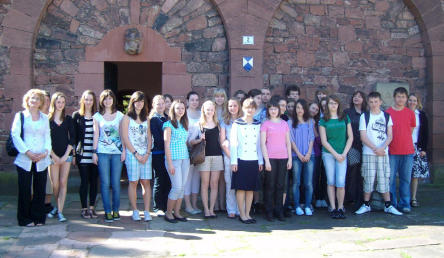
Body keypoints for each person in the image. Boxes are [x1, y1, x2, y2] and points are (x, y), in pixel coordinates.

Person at [355, 92, 402, 215]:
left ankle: (388, 205)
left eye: (376, 101)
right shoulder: (364, 116)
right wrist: (376, 148)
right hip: (369, 153)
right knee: (368, 179)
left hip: (383, 153)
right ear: (368, 103)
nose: (374, 104)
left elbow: (390, 135)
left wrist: (382, 148)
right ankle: (366, 205)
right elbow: (363, 136)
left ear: (380, 102)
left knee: (383, 179)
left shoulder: (386, 116)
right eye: (371, 102)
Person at [12, 89, 51, 226]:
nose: (34, 101)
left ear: (41, 102)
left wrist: (46, 152)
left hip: (41, 159)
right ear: (27, 100)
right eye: (32, 98)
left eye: (37, 99)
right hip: (25, 159)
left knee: (40, 189)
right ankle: (24, 218)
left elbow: (47, 136)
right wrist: (27, 152)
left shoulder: (45, 118)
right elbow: (15, 135)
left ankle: (38, 217)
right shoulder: (20, 116)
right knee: (25, 189)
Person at [93, 90, 125, 223]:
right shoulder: (97, 116)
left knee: (116, 183)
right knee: (105, 183)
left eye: (110, 98)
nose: (107, 101)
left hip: (117, 153)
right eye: (105, 99)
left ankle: (116, 209)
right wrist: (94, 152)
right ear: (101, 101)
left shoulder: (120, 116)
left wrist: (124, 151)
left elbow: (123, 134)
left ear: (113, 100)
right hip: (103, 153)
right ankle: (107, 211)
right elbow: (96, 134)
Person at [319, 95, 353, 219]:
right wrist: (335, 154)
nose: (333, 105)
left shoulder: (344, 118)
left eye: (335, 103)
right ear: (327, 105)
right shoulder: (323, 120)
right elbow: (324, 141)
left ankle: (340, 207)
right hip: (328, 154)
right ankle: (333, 207)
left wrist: (343, 154)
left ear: (338, 105)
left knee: (340, 182)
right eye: (331, 103)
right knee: (331, 181)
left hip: (342, 154)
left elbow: (350, 137)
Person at [230, 98, 264, 224]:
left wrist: (260, 161)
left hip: (253, 159)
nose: (250, 110)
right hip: (240, 159)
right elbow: (233, 144)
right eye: (247, 107)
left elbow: (259, 144)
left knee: (250, 188)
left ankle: (248, 214)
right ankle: (242, 214)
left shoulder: (258, 123)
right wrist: (234, 161)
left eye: (252, 108)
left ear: (255, 109)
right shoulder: (237, 123)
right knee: (241, 188)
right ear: (243, 108)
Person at [189, 100, 224, 218]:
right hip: (204, 157)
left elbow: (221, 141)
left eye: (211, 109)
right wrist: (200, 139)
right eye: (207, 109)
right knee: (205, 184)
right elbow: (190, 142)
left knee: (214, 184)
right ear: (203, 110)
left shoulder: (218, 124)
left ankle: (211, 209)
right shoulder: (198, 124)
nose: (209, 111)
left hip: (217, 156)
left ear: (214, 110)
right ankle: (206, 210)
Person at [121, 91, 153, 222]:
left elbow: (149, 137)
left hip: (145, 155)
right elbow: (125, 137)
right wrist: (135, 153)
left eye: (141, 101)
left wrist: (147, 153)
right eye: (137, 101)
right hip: (132, 155)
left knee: (146, 182)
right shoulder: (127, 118)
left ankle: (146, 211)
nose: (139, 104)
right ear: (132, 103)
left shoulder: (147, 119)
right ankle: (135, 210)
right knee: (133, 182)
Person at [386, 87, 416, 213]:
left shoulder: (410, 113)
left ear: (406, 99)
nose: (401, 99)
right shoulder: (387, 113)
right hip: (392, 151)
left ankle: (405, 203)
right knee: (391, 179)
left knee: (405, 179)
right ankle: (392, 203)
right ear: (394, 97)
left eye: (403, 97)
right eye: (398, 96)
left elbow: (411, 130)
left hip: (408, 151)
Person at [261, 100, 292, 221]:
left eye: (275, 108)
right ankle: (268, 211)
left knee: (280, 185)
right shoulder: (265, 124)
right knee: (270, 185)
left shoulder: (284, 124)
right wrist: (266, 161)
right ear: (268, 110)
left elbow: (288, 143)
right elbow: (263, 144)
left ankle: (279, 211)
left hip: (283, 157)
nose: (273, 111)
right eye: (271, 109)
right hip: (271, 158)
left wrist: (289, 159)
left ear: (279, 110)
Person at [47, 92, 75, 222]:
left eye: (63, 102)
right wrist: (53, 155)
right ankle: (56, 206)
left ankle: (60, 211)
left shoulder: (68, 119)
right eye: (59, 102)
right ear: (54, 103)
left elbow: (73, 138)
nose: (61, 105)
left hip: (66, 156)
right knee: (55, 184)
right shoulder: (47, 120)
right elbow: (45, 140)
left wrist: (65, 155)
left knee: (63, 182)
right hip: (52, 156)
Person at [72, 90, 99, 219]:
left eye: (91, 100)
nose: (88, 102)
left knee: (94, 181)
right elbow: (73, 137)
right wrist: (73, 155)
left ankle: (92, 207)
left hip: (95, 154)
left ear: (94, 102)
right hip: (82, 154)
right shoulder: (77, 116)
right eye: (86, 99)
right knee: (84, 181)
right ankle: (84, 208)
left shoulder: (97, 116)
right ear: (82, 100)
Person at [163, 100, 190, 223]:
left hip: (185, 158)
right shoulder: (168, 125)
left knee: (182, 188)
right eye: (178, 108)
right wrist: (169, 164)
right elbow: (166, 145)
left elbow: (184, 142)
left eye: (182, 108)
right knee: (176, 187)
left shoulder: (184, 124)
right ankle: (168, 213)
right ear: (173, 110)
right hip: (174, 160)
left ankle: (177, 212)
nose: (180, 110)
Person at [288, 99, 315, 216]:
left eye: (302, 108)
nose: (300, 110)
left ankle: (308, 206)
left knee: (308, 183)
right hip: (295, 156)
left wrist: (308, 153)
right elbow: (291, 140)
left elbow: (311, 138)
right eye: (298, 108)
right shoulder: (290, 122)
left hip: (310, 156)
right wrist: (298, 154)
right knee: (296, 182)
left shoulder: (310, 122)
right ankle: (297, 206)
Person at [344, 91, 367, 208]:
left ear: (363, 99)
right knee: (353, 172)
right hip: (353, 147)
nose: (356, 98)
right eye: (354, 96)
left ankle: (362, 198)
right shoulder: (347, 112)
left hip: (366, 147)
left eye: (359, 96)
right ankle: (350, 197)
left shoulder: (367, 113)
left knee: (364, 173)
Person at [220, 98, 242, 218]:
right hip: (229, 156)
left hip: (242, 157)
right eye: (230, 106)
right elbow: (223, 141)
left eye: (234, 106)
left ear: (238, 107)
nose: (232, 108)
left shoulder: (243, 121)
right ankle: (231, 209)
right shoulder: (225, 122)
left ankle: (240, 209)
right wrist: (231, 156)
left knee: (240, 184)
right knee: (230, 183)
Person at [149, 95, 171, 216]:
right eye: (158, 103)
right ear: (154, 105)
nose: (161, 105)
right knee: (159, 179)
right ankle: (158, 207)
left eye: (162, 103)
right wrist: (168, 144)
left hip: (168, 154)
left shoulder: (168, 118)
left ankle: (166, 205)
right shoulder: (153, 119)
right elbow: (157, 138)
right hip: (158, 153)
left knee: (168, 180)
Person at [408, 93, 429, 207]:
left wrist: (424, 148)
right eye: (410, 100)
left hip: (417, 147)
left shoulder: (421, 115)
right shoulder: (404, 113)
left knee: (415, 175)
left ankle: (413, 198)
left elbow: (425, 133)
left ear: (418, 102)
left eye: (414, 100)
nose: (412, 102)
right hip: (405, 146)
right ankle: (404, 198)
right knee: (405, 174)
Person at [184, 91, 202, 215]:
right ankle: (188, 205)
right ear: (187, 101)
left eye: (196, 100)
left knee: (197, 178)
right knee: (188, 178)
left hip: (199, 151)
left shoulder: (201, 114)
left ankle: (195, 204)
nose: (194, 102)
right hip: (186, 149)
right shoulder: (184, 114)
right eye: (192, 100)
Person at [309, 102, 328, 209]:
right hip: (307, 153)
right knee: (310, 178)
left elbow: (320, 140)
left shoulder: (318, 122)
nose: (314, 111)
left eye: (316, 110)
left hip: (318, 152)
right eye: (313, 108)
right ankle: (310, 200)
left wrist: (314, 128)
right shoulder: (305, 120)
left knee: (319, 177)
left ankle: (319, 198)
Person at [41, 90, 54, 214]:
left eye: (47, 100)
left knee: (49, 182)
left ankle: (47, 204)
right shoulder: (36, 116)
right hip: (37, 153)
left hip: (50, 153)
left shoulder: (51, 116)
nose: (45, 102)